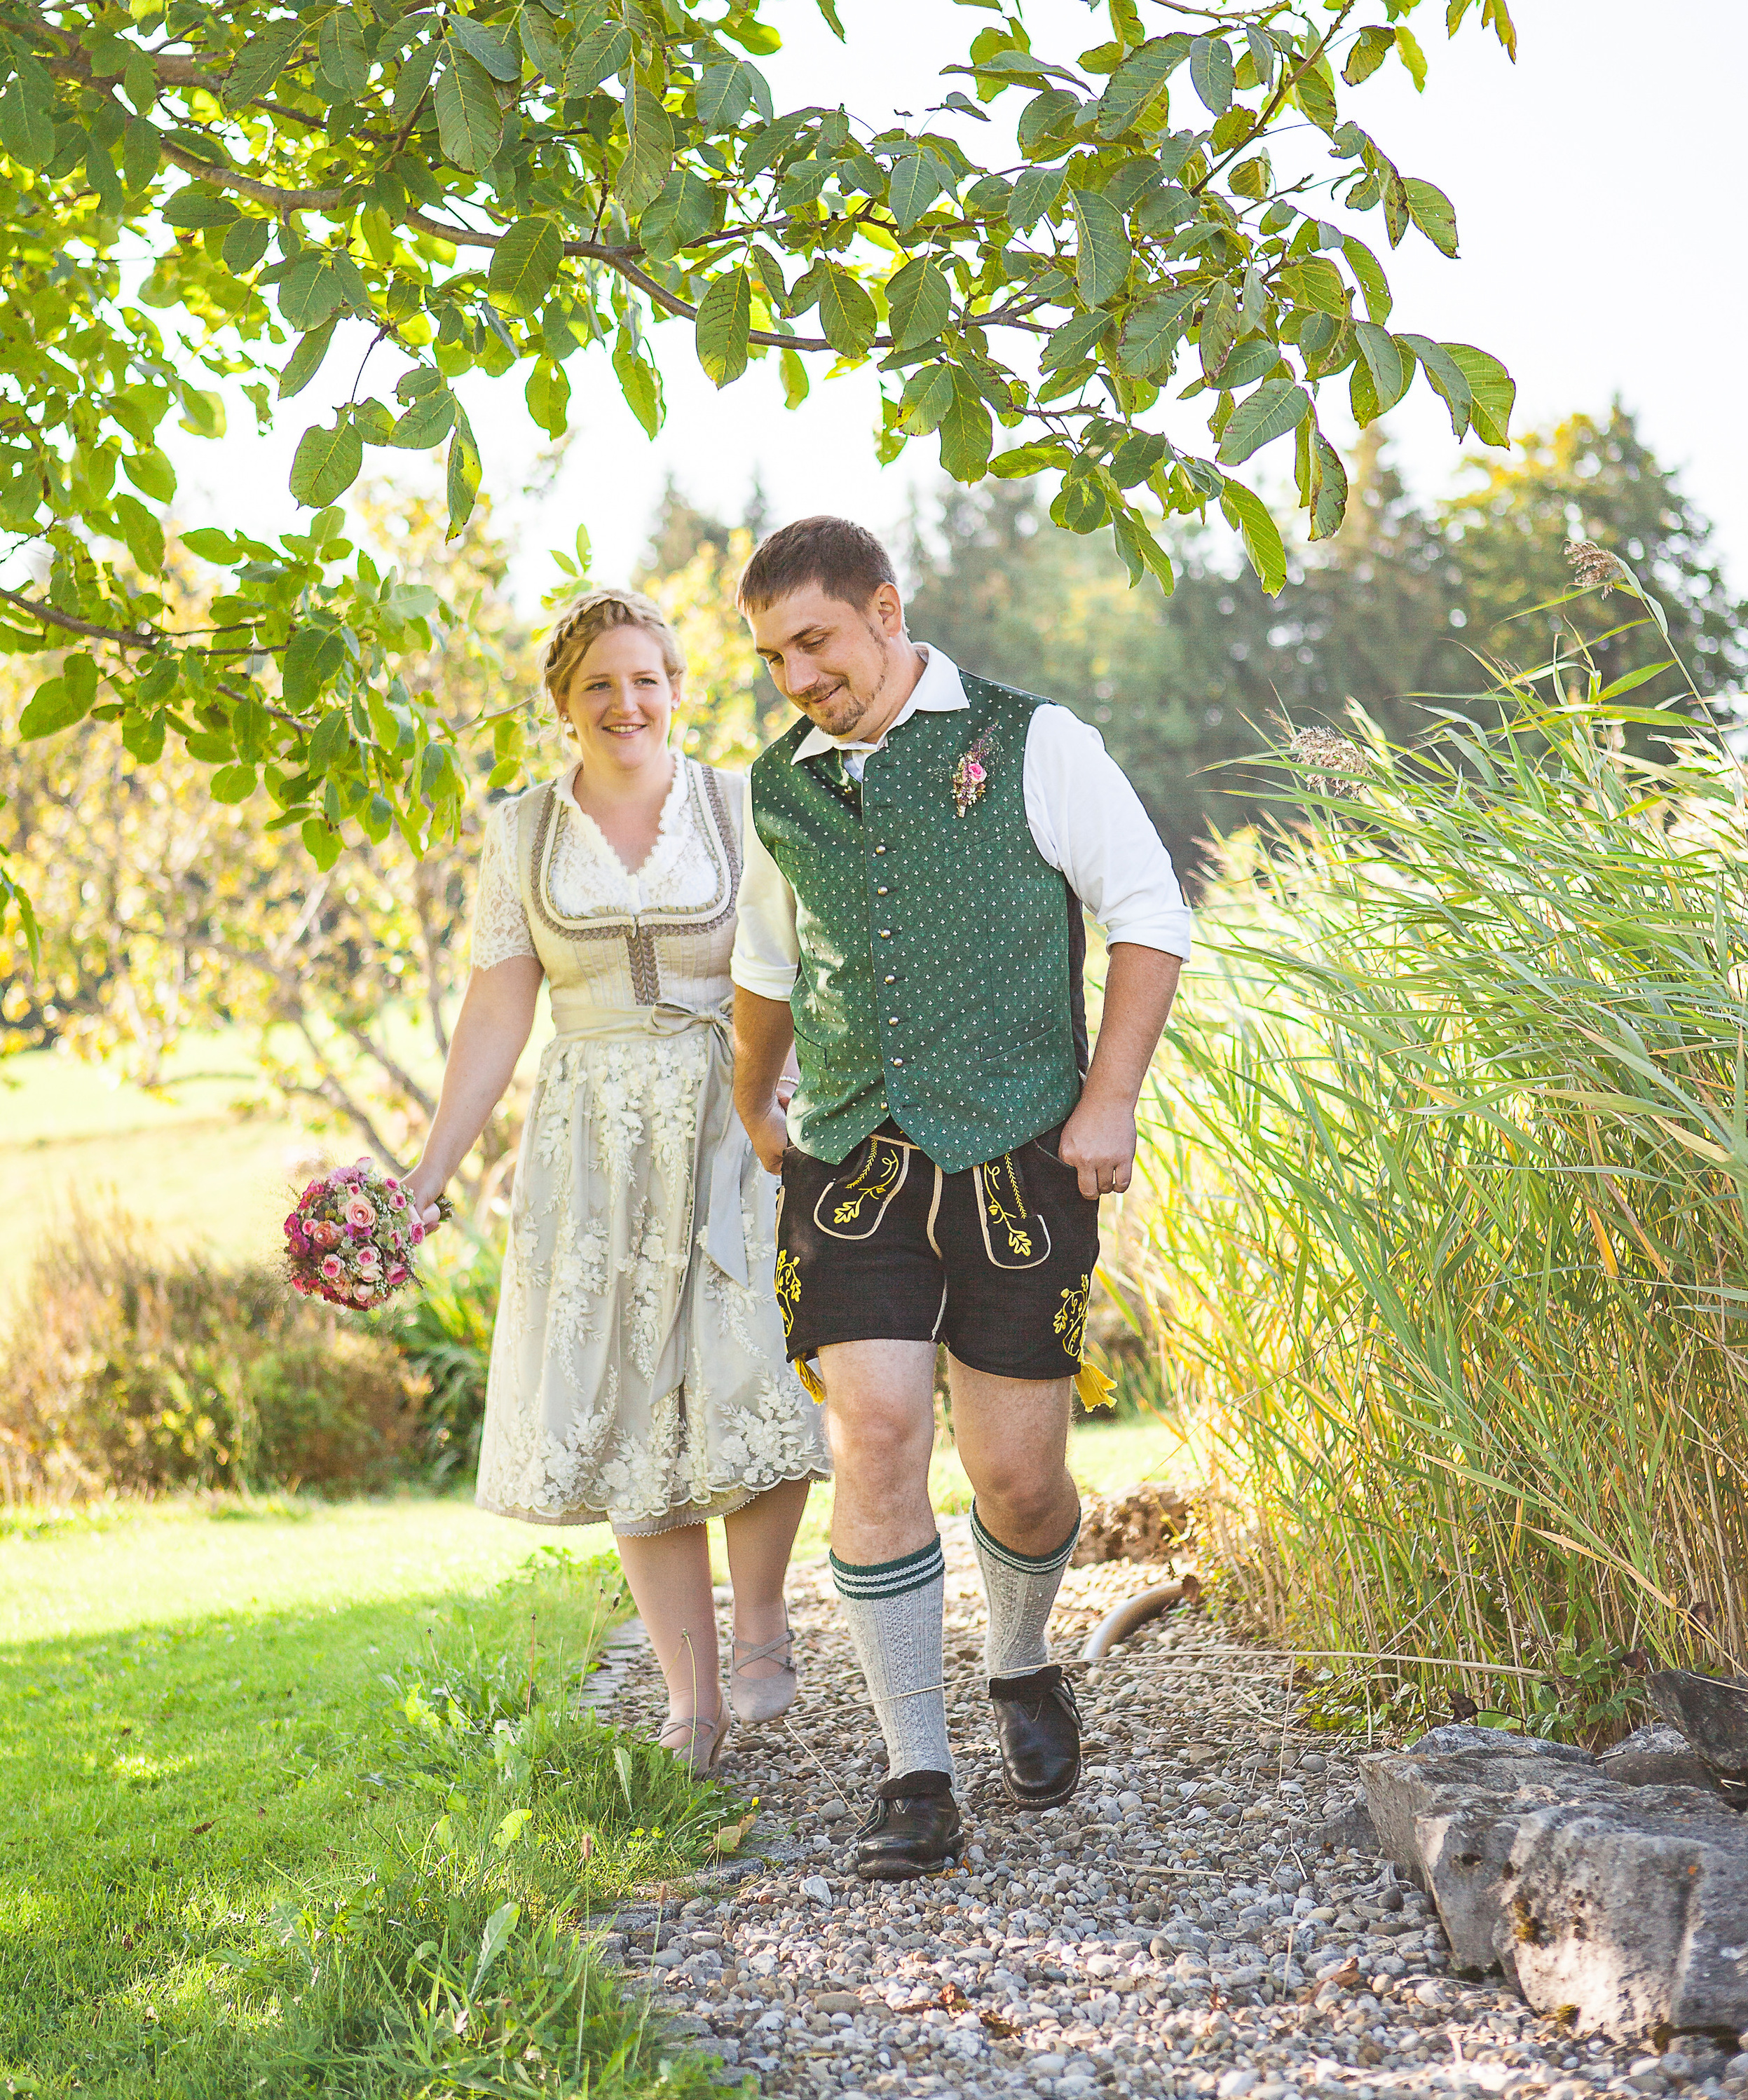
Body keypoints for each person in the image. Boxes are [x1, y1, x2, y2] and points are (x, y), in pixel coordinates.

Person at [729, 517, 1189, 1879]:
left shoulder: (1035, 741)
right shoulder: (781, 787)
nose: (796, 676)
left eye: (813, 640)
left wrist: (1106, 1100)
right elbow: (767, 961)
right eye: (770, 657)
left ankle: (1022, 1658)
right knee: (872, 1434)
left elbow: (1149, 912)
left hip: (1015, 1160)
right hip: (853, 1160)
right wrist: (755, 1099)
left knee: (1018, 1478)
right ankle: (913, 1773)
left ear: (883, 608)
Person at [405, 586, 828, 1775]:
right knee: (636, 1403)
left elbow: (800, 965)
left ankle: (759, 1625)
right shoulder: (523, 833)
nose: (625, 702)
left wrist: (793, 1096)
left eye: (645, 678)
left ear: (679, 688)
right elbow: (497, 1005)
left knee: (758, 1370)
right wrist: (430, 1170)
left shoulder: (741, 808)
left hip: (733, 1116)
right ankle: (688, 1702)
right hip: (591, 1139)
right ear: (563, 704)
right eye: (599, 683)